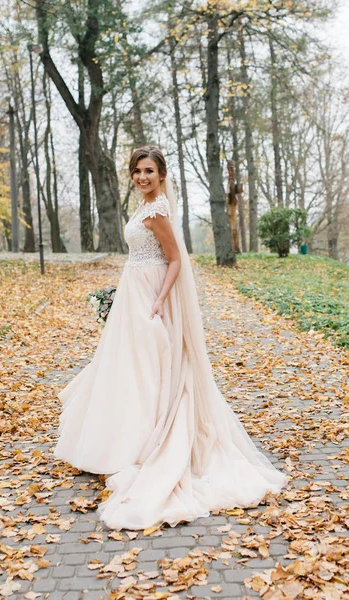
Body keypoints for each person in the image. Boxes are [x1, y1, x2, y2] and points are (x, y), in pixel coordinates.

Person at [53, 145, 287, 531]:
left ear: (161, 174)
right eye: (136, 171)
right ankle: (122, 439)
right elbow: (143, 255)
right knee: (131, 369)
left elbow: (175, 258)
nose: (142, 177)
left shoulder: (158, 209)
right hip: (134, 292)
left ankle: (144, 442)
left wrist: (159, 301)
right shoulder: (145, 206)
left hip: (151, 299)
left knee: (151, 369)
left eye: (148, 171)